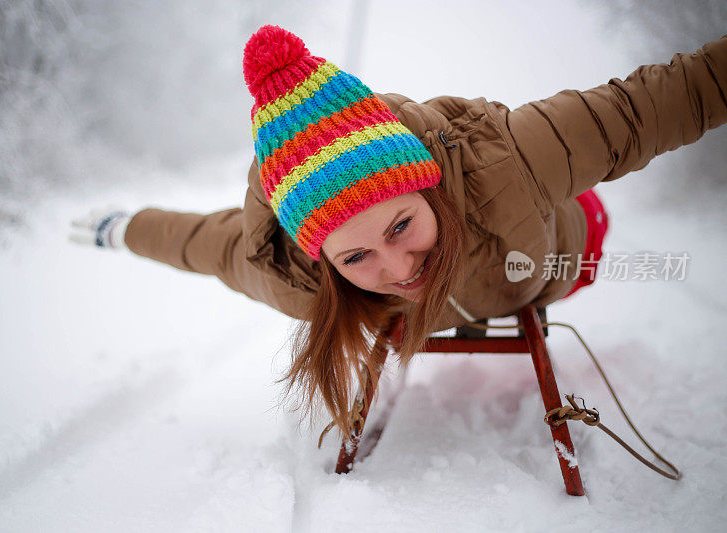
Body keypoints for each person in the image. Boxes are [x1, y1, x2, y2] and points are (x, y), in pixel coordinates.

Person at [70, 25, 727, 439]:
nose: (396, 263)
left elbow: (649, 107)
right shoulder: (293, 275)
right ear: (322, 259)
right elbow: (196, 240)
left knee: (574, 215)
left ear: (426, 183)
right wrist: (118, 228)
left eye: (402, 223)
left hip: (558, 253)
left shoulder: (502, 157)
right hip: (498, 272)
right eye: (356, 254)